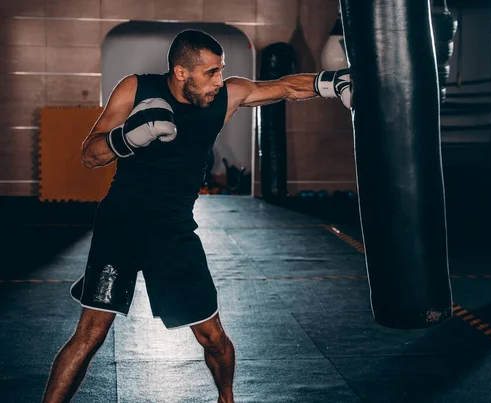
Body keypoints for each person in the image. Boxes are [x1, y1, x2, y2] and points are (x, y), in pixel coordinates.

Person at [42, 29, 351, 403]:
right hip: (120, 224)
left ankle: (226, 399)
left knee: (213, 337)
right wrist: (126, 139)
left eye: (221, 70)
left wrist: (331, 83)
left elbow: (284, 87)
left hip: (173, 231)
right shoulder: (135, 89)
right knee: (91, 333)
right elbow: (90, 155)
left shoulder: (226, 97)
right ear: (181, 72)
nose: (219, 81)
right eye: (211, 73)